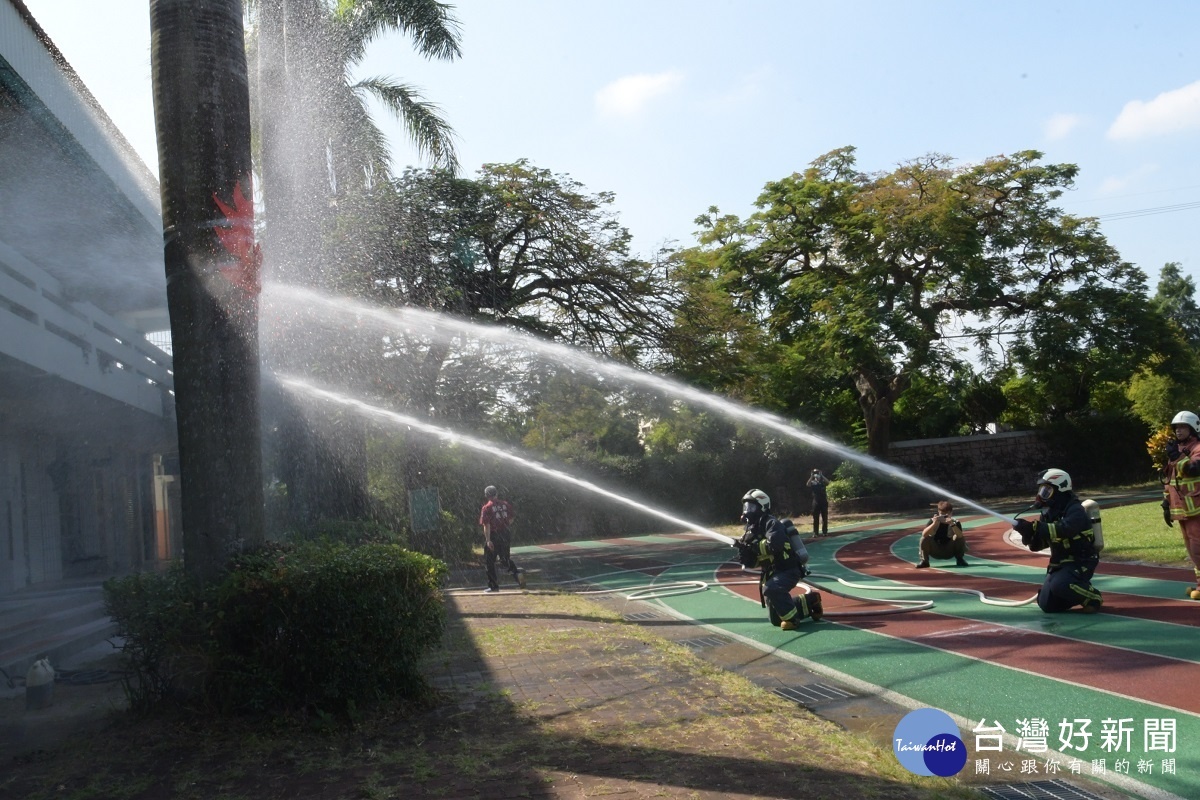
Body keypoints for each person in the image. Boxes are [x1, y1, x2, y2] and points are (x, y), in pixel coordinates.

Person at [1012, 469, 1102, 614]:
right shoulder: (1048, 513)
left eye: (1047, 490)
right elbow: (1038, 545)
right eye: (1042, 490)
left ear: (1060, 488)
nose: (1042, 495)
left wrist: (1036, 527)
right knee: (1046, 604)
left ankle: (1093, 597)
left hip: (1081, 561)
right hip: (1059, 564)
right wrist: (1028, 534)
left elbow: (1064, 529)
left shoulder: (1075, 510)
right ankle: (1074, 588)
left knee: (1060, 585)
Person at [733, 488, 822, 630]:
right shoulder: (752, 530)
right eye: (745, 507)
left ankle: (793, 621)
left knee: (772, 589)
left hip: (788, 569)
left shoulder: (771, 523)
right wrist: (746, 556)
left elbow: (776, 545)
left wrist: (753, 547)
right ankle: (811, 601)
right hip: (772, 573)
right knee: (776, 619)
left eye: (751, 506)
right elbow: (755, 560)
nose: (747, 510)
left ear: (762, 506)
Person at [1161, 411, 1200, 598]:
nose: (1178, 431)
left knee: (1198, 548)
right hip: (1181, 509)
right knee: (1192, 550)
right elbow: (1170, 479)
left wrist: (1177, 457)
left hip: (1196, 508)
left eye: (1182, 427)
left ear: (1193, 428)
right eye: (1176, 428)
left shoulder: (1198, 447)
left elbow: (1193, 469)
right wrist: (1165, 503)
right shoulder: (1176, 450)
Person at [479, 485, 525, 592]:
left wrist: (488, 540)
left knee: (489, 562)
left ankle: (493, 586)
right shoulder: (505, 504)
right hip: (505, 533)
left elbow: (487, 525)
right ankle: (517, 574)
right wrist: (503, 525)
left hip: (494, 535)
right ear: (496, 493)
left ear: (486, 495)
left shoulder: (487, 508)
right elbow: (511, 519)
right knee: (505, 559)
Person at [916, 500, 969, 568]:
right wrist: (934, 524)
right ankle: (924, 561)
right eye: (942, 514)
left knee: (958, 536)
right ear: (938, 512)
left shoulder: (955, 522)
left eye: (946, 514)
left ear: (951, 513)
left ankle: (960, 559)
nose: (944, 517)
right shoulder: (933, 521)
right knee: (924, 538)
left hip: (950, 550)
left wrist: (952, 524)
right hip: (935, 550)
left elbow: (960, 536)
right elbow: (924, 534)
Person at [807, 468, 830, 536]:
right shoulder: (813, 482)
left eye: (817, 473)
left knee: (824, 517)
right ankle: (815, 532)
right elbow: (808, 484)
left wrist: (822, 475)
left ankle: (824, 531)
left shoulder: (823, 481)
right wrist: (811, 476)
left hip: (823, 501)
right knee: (815, 518)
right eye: (815, 473)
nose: (816, 474)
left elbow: (828, 482)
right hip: (816, 502)